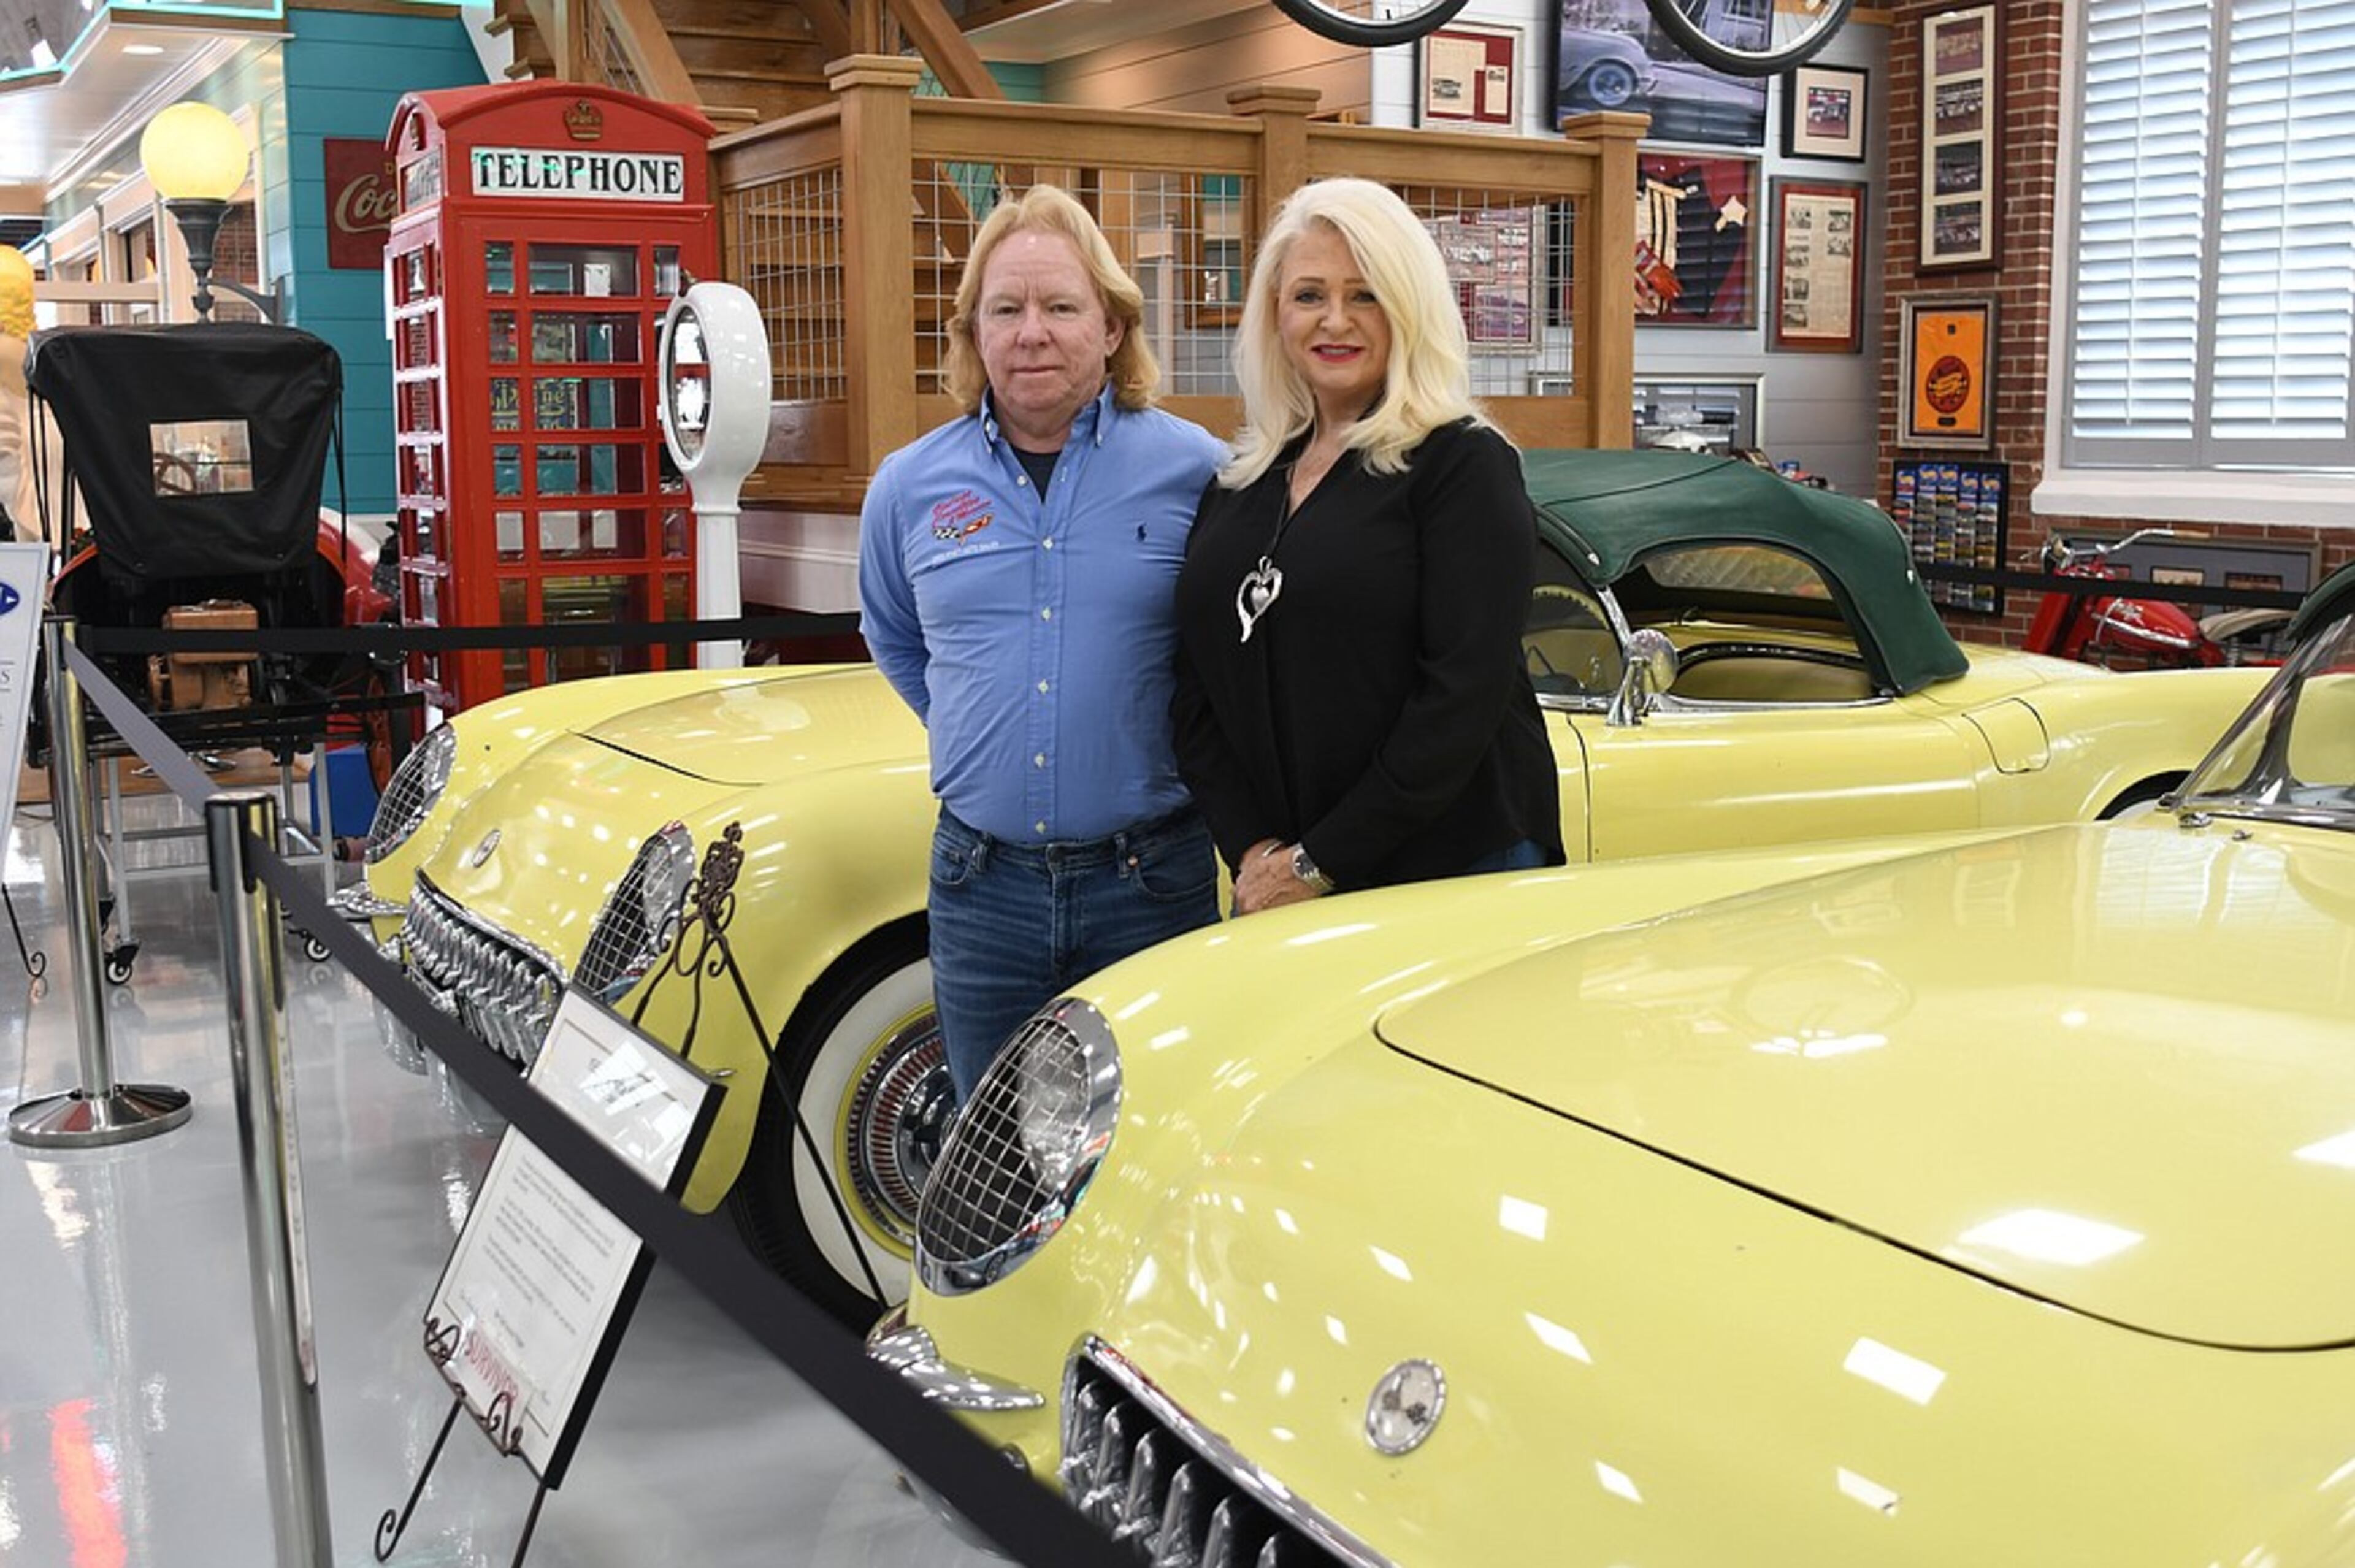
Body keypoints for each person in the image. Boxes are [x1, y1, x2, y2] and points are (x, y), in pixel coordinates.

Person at [858, 185, 1227, 1101]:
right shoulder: (907, 487)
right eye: (1006, 310)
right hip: (981, 891)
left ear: (1112, 328)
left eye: (1061, 307)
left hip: (1152, 884)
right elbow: (895, 635)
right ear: (973, 333)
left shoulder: (1200, 472)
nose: (1032, 334)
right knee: (991, 1147)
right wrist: (979, 731)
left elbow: (1233, 655)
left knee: (1158, 1140)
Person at [1172, 177, 1565, 916]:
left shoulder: (1463, 465)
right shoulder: (1244, 479)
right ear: (1275, 313)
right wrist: (1253, 849)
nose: (1335, 320)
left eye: (1366, 295)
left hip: (1450, 872)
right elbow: (1194, 685)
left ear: (1410, 308)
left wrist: (1319, 862)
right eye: (1309, 295)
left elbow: (1462, 697)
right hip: (1282, 879)